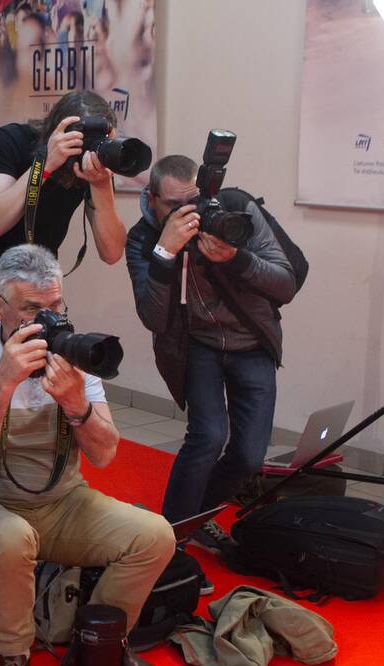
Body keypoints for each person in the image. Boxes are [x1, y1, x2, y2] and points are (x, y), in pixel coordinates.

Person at [0, 244, 176, 666]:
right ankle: (12, 659)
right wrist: (3, 383)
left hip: (64, 502)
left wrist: (77, 403)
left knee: (155, 536)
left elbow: (106, 453)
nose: (48, 321)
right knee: (11, 537)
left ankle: (102, 646)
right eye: (32, 309)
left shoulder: (75, 354)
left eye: (55, 307)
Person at [121, 155, 296, 566]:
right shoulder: (143, 238)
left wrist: (235, 258)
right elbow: (153, 317)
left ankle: (193, 515)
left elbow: (285, 282)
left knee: (250, 457)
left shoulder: (238, 209)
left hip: (251, 342)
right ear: (152, 200)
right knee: (207, 437)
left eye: (195, 200)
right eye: (174, 205)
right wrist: (166, 253)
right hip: (195, 345)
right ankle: (170, 544)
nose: (189, 212)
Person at [0, 90, 127, 330]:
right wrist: (45, 164)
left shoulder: (93, 163)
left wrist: (100, 183)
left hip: (40, 293)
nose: (82, 150)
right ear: (54, 131)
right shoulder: (10, 140)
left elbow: (112, 252)